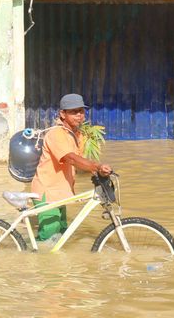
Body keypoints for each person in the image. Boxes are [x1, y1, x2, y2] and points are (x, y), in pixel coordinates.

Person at [28, 93, 113, 240]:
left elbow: (79, 165)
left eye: (81, 111)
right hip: (47, 192)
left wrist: (98, 172)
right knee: (48, 238)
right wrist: (96, 165)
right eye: (74, 112)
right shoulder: (56, 134)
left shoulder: (77, 135)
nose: (79, 115)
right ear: (62, 114)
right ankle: (30, 260)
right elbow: (71, 158)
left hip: (61, 193)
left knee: (60, 236)